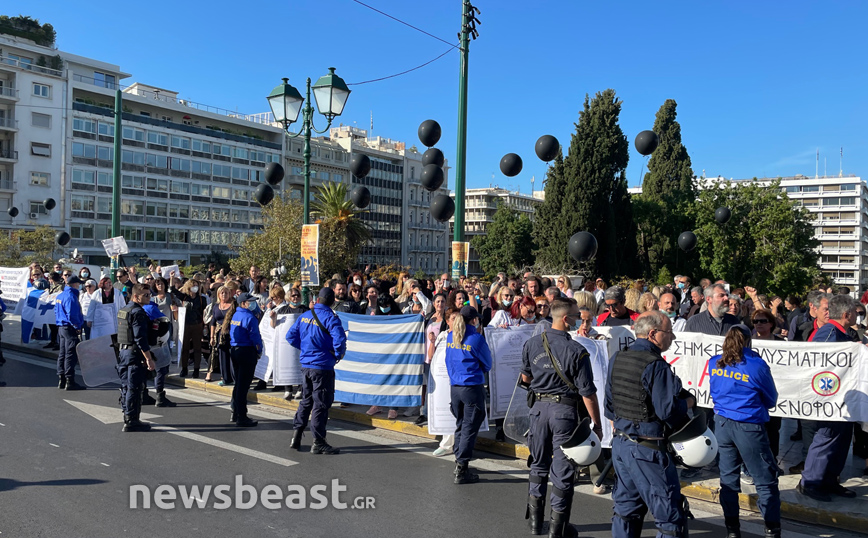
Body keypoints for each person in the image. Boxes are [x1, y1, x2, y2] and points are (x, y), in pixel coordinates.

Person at [605, 311, 695, 538]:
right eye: (669, 332)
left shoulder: (618, 357)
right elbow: (668, 412)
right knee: (670, 519)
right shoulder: (656, 366)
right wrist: (688, 403)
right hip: (648, 450)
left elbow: (609, 407)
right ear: (653, 334)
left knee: (626, 512)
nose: (672, 337)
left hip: (621, 447)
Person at [521, 298, 601, 537]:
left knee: (537, 464)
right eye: (576, 315)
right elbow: (588, 393)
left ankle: (536, 523)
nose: (579, 319)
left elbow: (525, 379)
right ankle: (558, 528)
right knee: (563, 470)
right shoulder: (577, 350)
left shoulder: (532, 343)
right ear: (565, 319)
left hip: (538, 410)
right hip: (564, 413)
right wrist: (596, 424)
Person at [708, 324, 781, 538]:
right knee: (765, 480)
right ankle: (771, 530)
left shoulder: (714, 362)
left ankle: (732, 530)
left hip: (722, 424)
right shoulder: (756, 365)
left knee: (728, 479)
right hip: (748, 425)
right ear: (749, 341)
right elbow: (771, 399)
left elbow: (714, 390)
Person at [798, 294, 858, 501]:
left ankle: (829, 480)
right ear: (846, 314)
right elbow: (817, 360)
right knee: (826, 438)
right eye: (855, 313)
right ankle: (810, 482)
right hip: (829, 399)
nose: (857, 316)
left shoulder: (843, 333)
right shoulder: (829, 332)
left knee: (841, 440)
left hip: (843, 399)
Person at [287, 287, 347, 455]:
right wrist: (337, 354)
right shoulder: (331, 318)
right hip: (322, 367)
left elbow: (290, 336)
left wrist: (306, 349)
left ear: (318, 299)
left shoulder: (305, 316)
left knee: (306, 401)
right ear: (333, 301)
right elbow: (340, 340)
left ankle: (296, 436)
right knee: (321, 404)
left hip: (306, 365)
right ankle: (318, 441)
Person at [445, 305, 492, 484]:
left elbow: (448, 361)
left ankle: (459, 460)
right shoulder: (475, 338)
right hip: (471, 387)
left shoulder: (451, 336)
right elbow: (487, 364)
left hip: (455, 388)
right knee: (469, 428)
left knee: (460, 424)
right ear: (473, 320)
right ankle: (462, 468)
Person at [116, 284, 157, 431]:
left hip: (123, 353)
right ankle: (132, 420)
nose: (148, 297)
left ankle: (127, 415)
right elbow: (140, 338)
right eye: (145, 295)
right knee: (134, 387)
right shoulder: (138, 312)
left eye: (149, 294)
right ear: (136, 296)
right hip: (134, 354)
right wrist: (149, 358)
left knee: (126, 386)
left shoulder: (124, 310)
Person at [227, 293, 263, 427]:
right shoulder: (249, 317)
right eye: (250, 302)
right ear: (243, 303)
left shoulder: (236, 314)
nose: (253, 304)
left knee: (238, 384)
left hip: (235, 350)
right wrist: (259, 350)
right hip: (247, 351)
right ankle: (242, 416)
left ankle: (236, 412)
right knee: (243, 386)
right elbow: (255, 337)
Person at [170, 278, 207, 378]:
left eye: (197, 285)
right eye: (193, 285)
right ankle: (184, 368)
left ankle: (196, 369)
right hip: (185, 325)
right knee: (185, 348)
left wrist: (204, 326)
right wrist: (172, 278)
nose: (195, 287)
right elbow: (173, 290)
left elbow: (204, 312)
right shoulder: (184, 297)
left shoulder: (201, 299)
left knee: (197, 348)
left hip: (197, 324)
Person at [54, 276, 85, 390]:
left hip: (61, 327)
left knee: (62, 353)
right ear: (74, 284)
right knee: (70, 354)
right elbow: (72, 314)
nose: (79, 286)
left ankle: (61, 379)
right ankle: (69, 380)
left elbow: (56, 310)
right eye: (78, 283)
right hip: (70, 327)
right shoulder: (71, 296)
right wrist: (77, 326)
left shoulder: (60, 295)